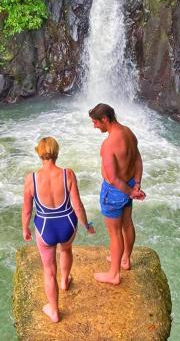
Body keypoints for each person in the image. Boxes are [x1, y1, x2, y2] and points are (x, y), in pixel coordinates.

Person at [22, 136, 95, 323]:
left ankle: (54, 311)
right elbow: (77, 205)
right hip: (68, 224)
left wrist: (25, 229)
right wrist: (87, 225)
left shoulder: (31, 179)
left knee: (48, 270)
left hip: (45, 226)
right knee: (66, 249)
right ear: (56, 152)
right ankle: (64, 281)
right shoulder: (67, 174)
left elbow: (27, 210)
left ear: (39, 153)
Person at [89, 103, 145, 285]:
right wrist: (136, 185)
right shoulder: (128, 132)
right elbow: (137, 159)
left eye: (95, 122)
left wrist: (131, 192)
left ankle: (114, 274)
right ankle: (125, 259)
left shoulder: (108, 145)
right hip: (128, 184)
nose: (94, 126)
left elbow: (112, 178)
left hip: (114, 191)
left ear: (105, 119)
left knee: (114, 234)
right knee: (127, 225)